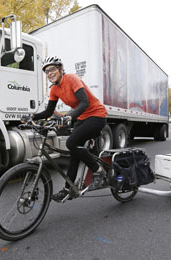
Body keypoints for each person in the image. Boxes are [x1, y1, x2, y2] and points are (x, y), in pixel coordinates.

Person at [23, 56, 108, 202]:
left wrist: (69, 117)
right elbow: (49, 112)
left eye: (52, 69)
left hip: (97, 115)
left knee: (71, 144)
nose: (49, 73)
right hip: (81, 118)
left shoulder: (71, 78)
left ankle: (98, 171)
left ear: (61, 69)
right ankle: (69, 189)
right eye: (47, 71)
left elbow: (84, 102)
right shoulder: (55, 89)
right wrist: (32, 117)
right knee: (74, 151)